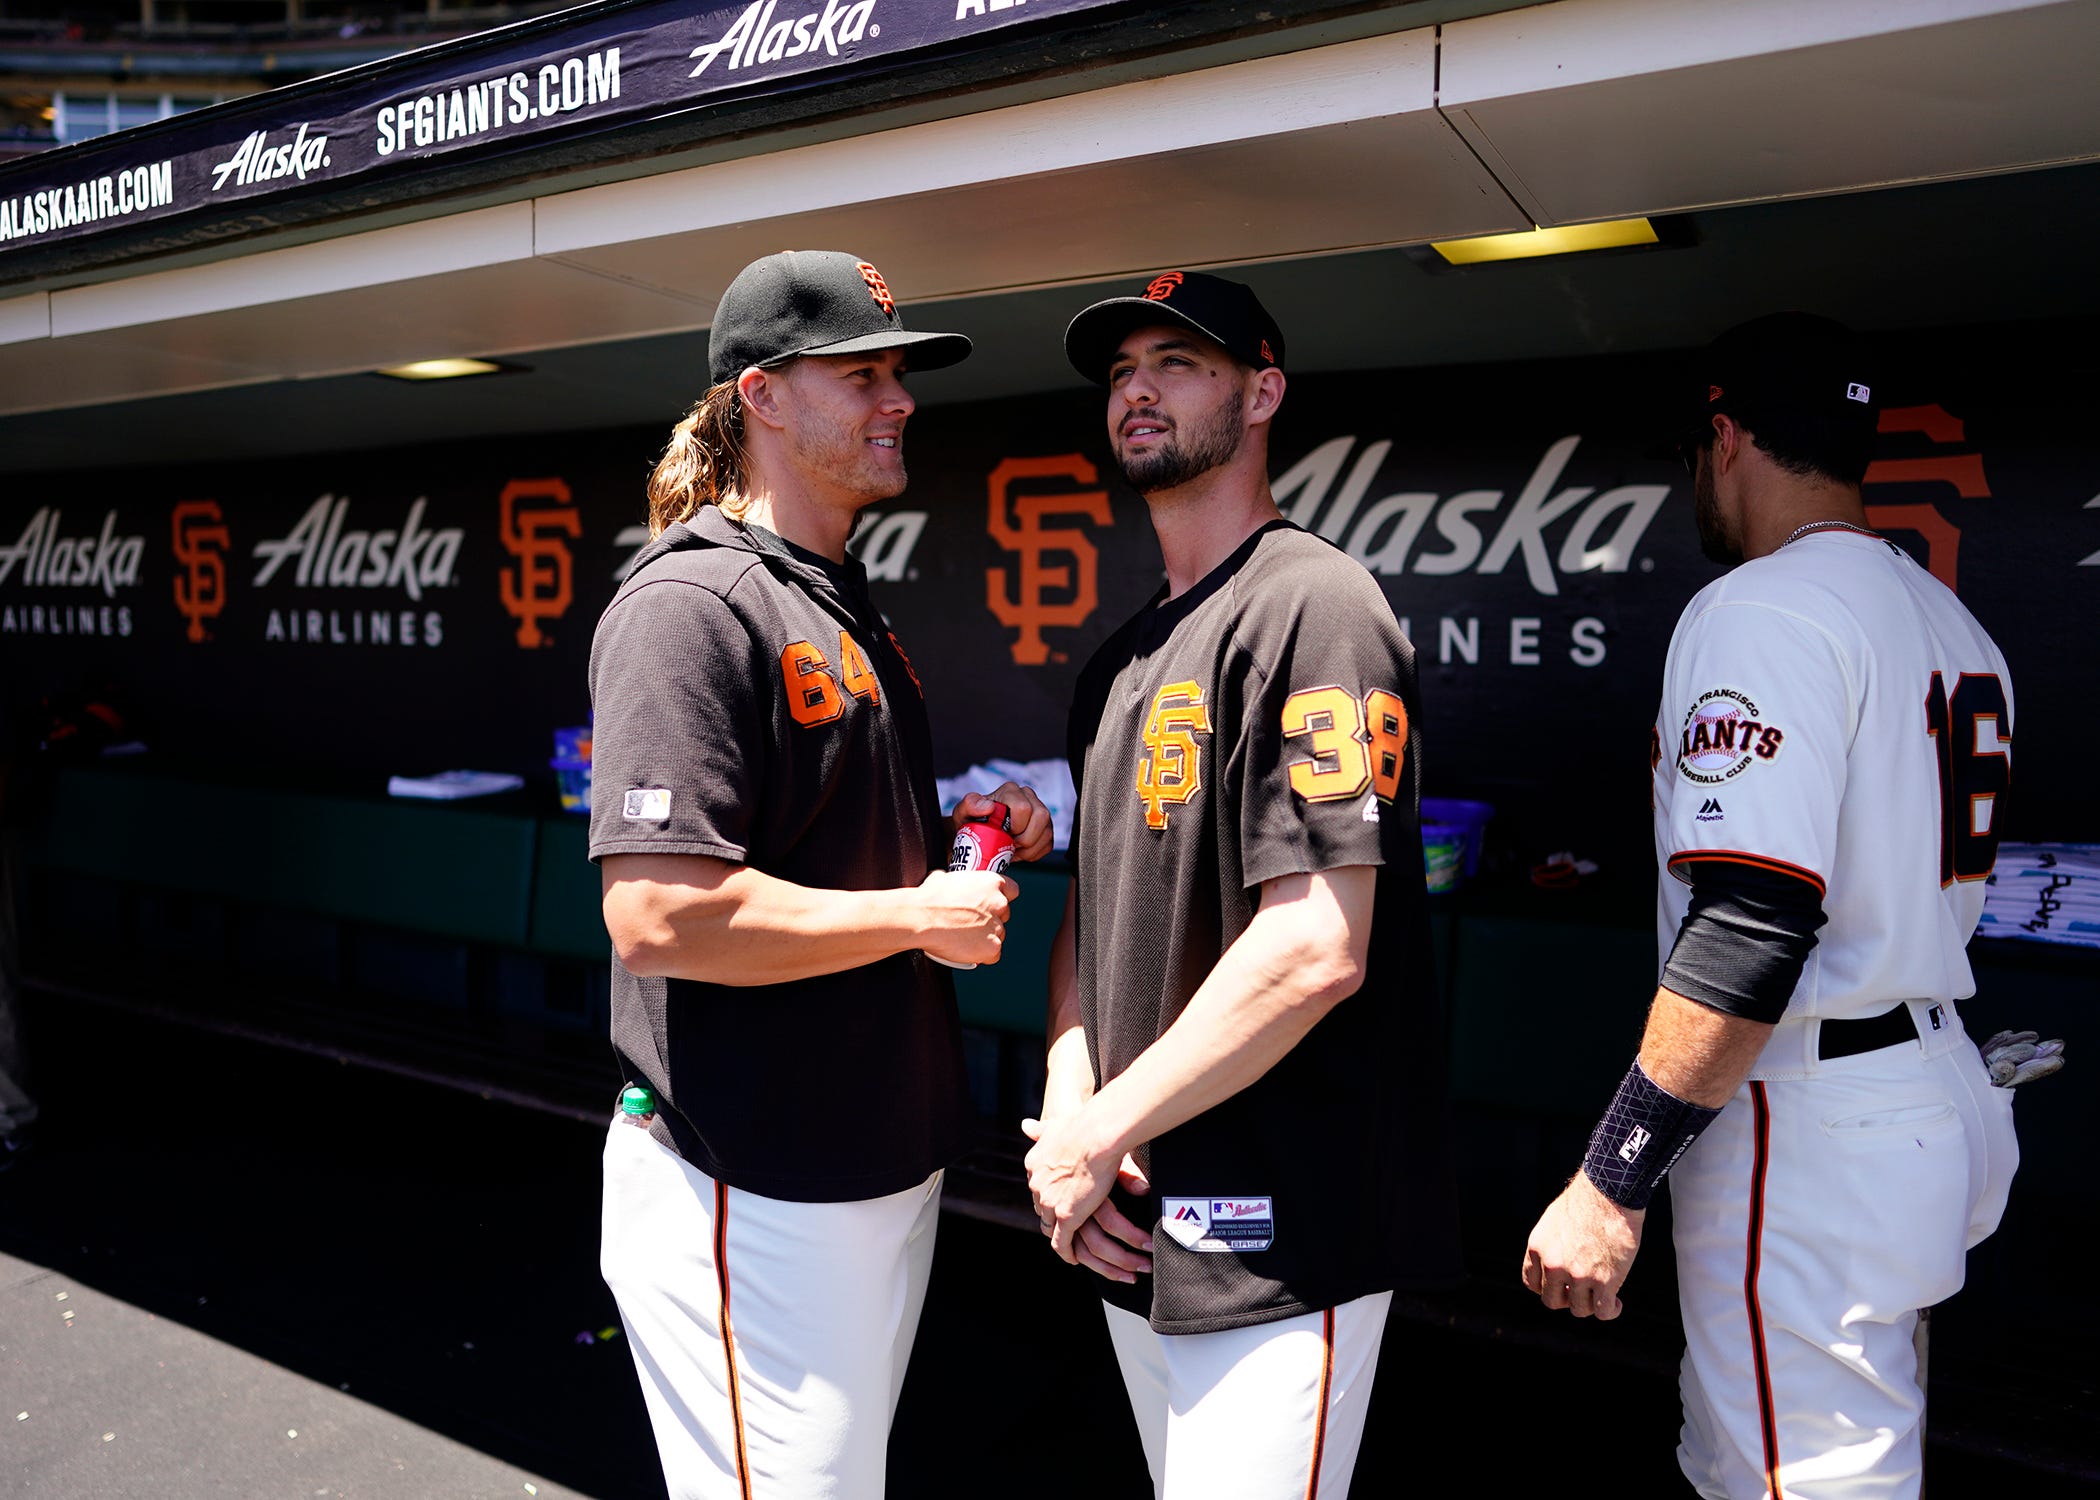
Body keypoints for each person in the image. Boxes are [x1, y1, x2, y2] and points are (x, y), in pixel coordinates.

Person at [1522, 313, 2020, 1500]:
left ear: (1727, 438)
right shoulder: (1952, 619)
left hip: (1807, 1116)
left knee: (1803, 1481)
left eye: (1698, 452)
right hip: (1924, 1087)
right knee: (1827, 1450)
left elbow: (1752, 926)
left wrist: (1611, 1178)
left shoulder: (1765, 607)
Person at [588, 249, 1052, 1500]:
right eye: (862, 373)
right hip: (747, 1173)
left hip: (868, 1157)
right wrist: (916, 913)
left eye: (899, 371)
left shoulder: (837, 596)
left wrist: (966, 839)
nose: (899, 398)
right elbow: (657, 912)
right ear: (766, 396)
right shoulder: (692, 599)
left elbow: (827, 849)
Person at [1024, 270, 1461, 1498]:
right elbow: (1092, 919)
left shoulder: (1314, 606)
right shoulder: (1121, 655)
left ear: (1263, 391)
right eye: (1120, 372)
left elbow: (1318, 943)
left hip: (1284, 1225)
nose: (1139, 389)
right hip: (1136, 1213)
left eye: (1179, 361)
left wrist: (1105, 1129)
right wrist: (1072, 1108)